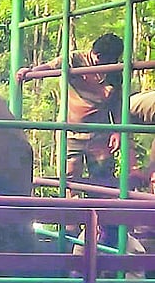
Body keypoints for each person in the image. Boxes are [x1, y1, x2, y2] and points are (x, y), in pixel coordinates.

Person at [16, 32, 125, 189]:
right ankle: (71, 213)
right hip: (71, 132)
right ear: (98, 55)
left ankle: (101, 211)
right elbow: (50, 66)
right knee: (69, 181)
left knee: (104, 180)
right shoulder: (75, 59)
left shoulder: (114, 70)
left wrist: (118, 130)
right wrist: (30, 72)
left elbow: (117, 102)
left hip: (101, 132)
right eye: (104, 61)